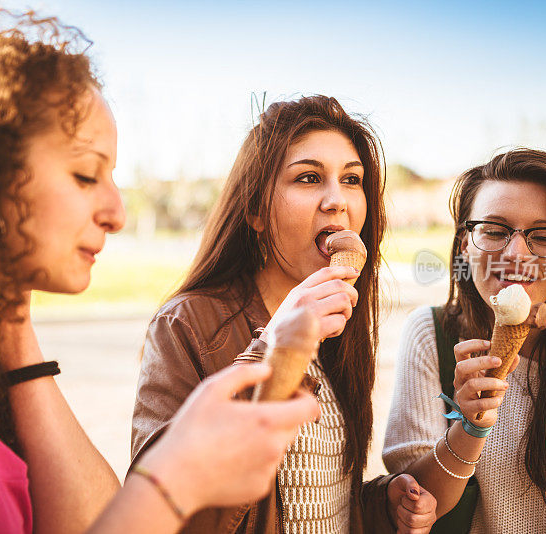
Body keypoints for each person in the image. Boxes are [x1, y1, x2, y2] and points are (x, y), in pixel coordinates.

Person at [0, 17, 321, 534]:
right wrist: (175, 478)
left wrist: (11, 317)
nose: (117, 212)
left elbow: (86, 521)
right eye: (86, 175)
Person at [131, 95, 438, 533]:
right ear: (256, 209)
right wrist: (276, 346)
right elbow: (161, 511)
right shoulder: (187, 324)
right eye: (310, 178)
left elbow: (317, 501)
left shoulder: (340, 329)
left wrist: (378, 504)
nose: (338, 200)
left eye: (352, 180)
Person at [383, 148, 546, 532]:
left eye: (545, 236)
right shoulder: (431, 336)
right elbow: (411, 503)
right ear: (465, 245)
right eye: (495, 231)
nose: (516, 254)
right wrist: (468, 427)